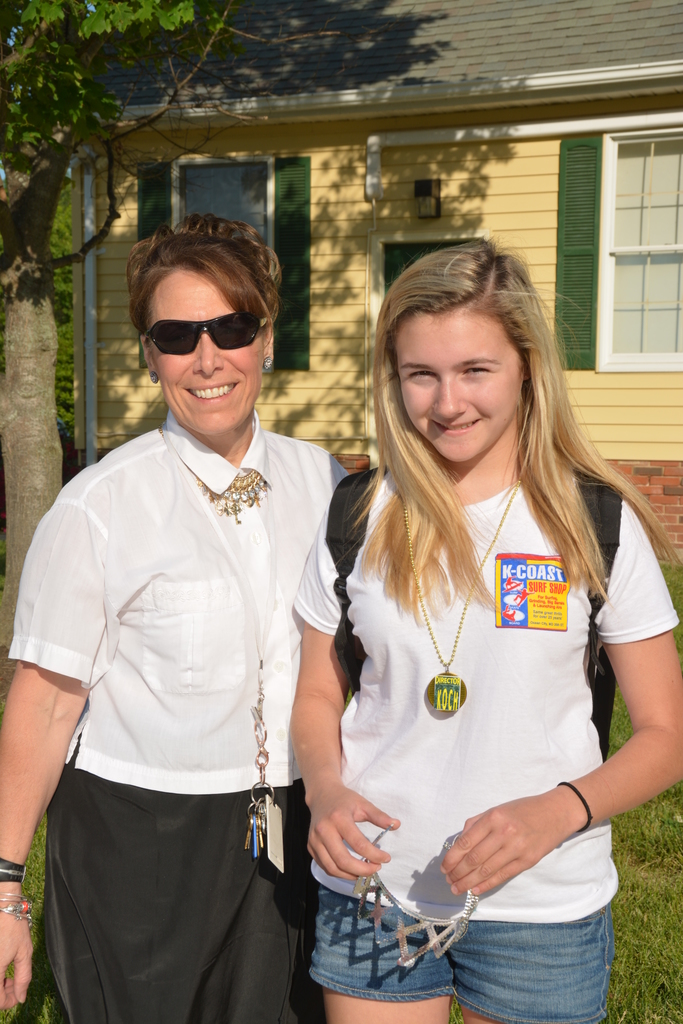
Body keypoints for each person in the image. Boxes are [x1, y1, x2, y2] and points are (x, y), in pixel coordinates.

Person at [290, 239, 683, 1024]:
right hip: (374, 892)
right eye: (420, 374)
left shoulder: (592, 521)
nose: (446, 403)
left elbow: (665, 735)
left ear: (527, 367)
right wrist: (324, 790)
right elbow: (315, 696)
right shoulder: (356, 513)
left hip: (540, 906)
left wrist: (557, 811)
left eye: (475, 370)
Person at [0, 214, 344, 1023]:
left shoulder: (327, 483)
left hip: (297, 823)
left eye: (232, 327)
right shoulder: (97, 506)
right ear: (149, 353)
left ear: (266, 337)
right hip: (140, 838)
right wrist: (4, 887)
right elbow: (44, 705)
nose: (207, 357)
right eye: (177, 335)